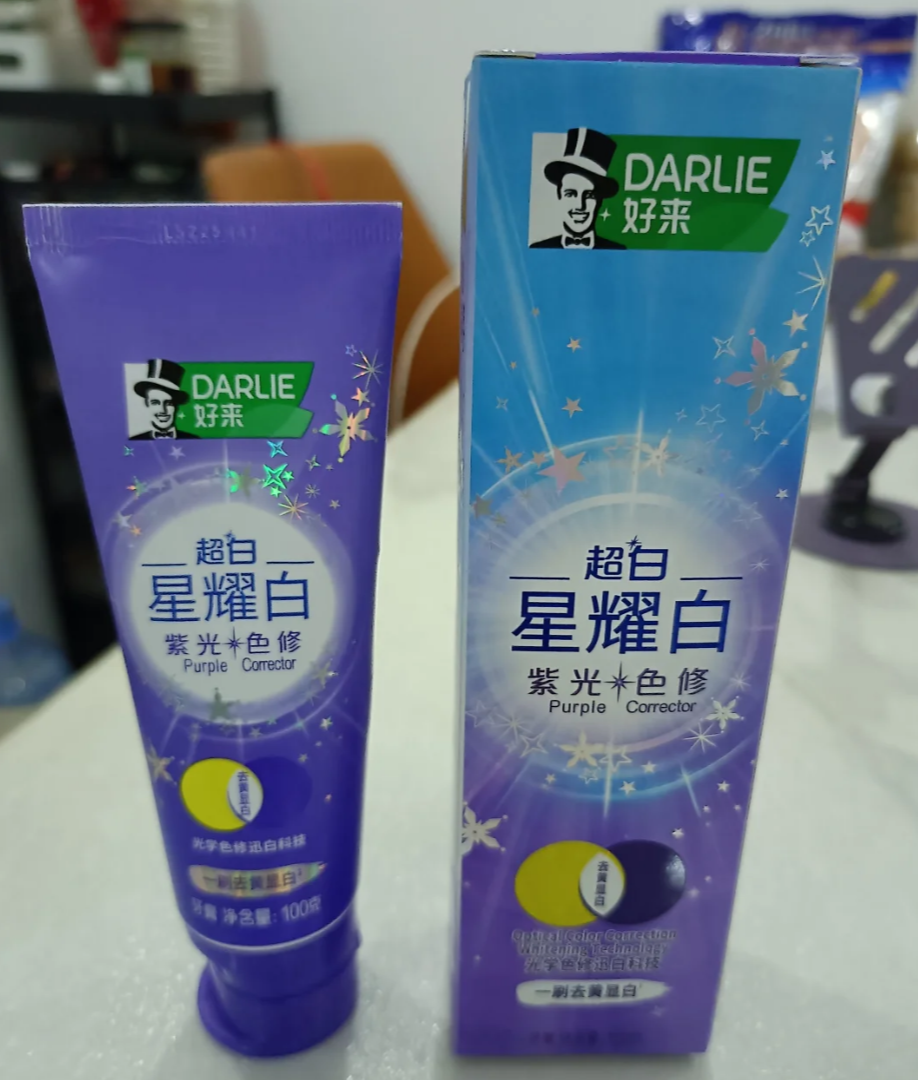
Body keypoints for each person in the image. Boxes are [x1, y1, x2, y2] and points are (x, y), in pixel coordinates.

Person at [531, 128, 625, 250]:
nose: (580, 206)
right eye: (570, 194)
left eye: (589, 195)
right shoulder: (539, 247)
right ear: (559, 196)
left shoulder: (617, 249)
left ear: (599, 201)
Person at [131, 359, 199, 440]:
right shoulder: (135, 440)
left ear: (176, 406)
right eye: (155, 403)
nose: (162, 410)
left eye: (169, 403)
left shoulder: (193, 439)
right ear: (147, 404)